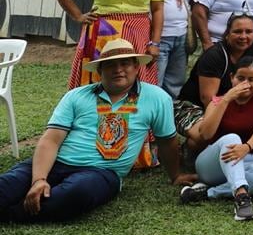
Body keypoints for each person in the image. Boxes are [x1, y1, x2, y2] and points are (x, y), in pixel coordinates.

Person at [0, 39, 188, 223]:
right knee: (7, 184)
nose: (118, 69)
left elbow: (167, 140)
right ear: (99, 70)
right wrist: (39, 179)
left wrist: (176, 175)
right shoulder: (76, 96)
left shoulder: (157, 98)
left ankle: (12, 214)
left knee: (78, 193)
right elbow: (51, 140)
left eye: (125, 63)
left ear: (136, 67)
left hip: (101, 172)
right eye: (110, 65)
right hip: (56, 162)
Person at [181, 53, 253, 221]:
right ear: (231, 77)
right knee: (231, 138)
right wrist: (227, 99)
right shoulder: (218, 101)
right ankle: (242, 198)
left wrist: (247, 147)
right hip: (211, 165)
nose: (245, 84)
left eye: (252, 79)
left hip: (248, 158)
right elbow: (205, 134)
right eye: (240, 78)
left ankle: (208, 193)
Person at [175, 13, 253, 137]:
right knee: (205, 135)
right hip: (194, 106)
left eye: (249, 31)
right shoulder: (214, 56)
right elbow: (208, 99)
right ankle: (191, 152)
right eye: (238, 32)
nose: (243, 36)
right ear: (227, 33)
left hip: (232, 104)